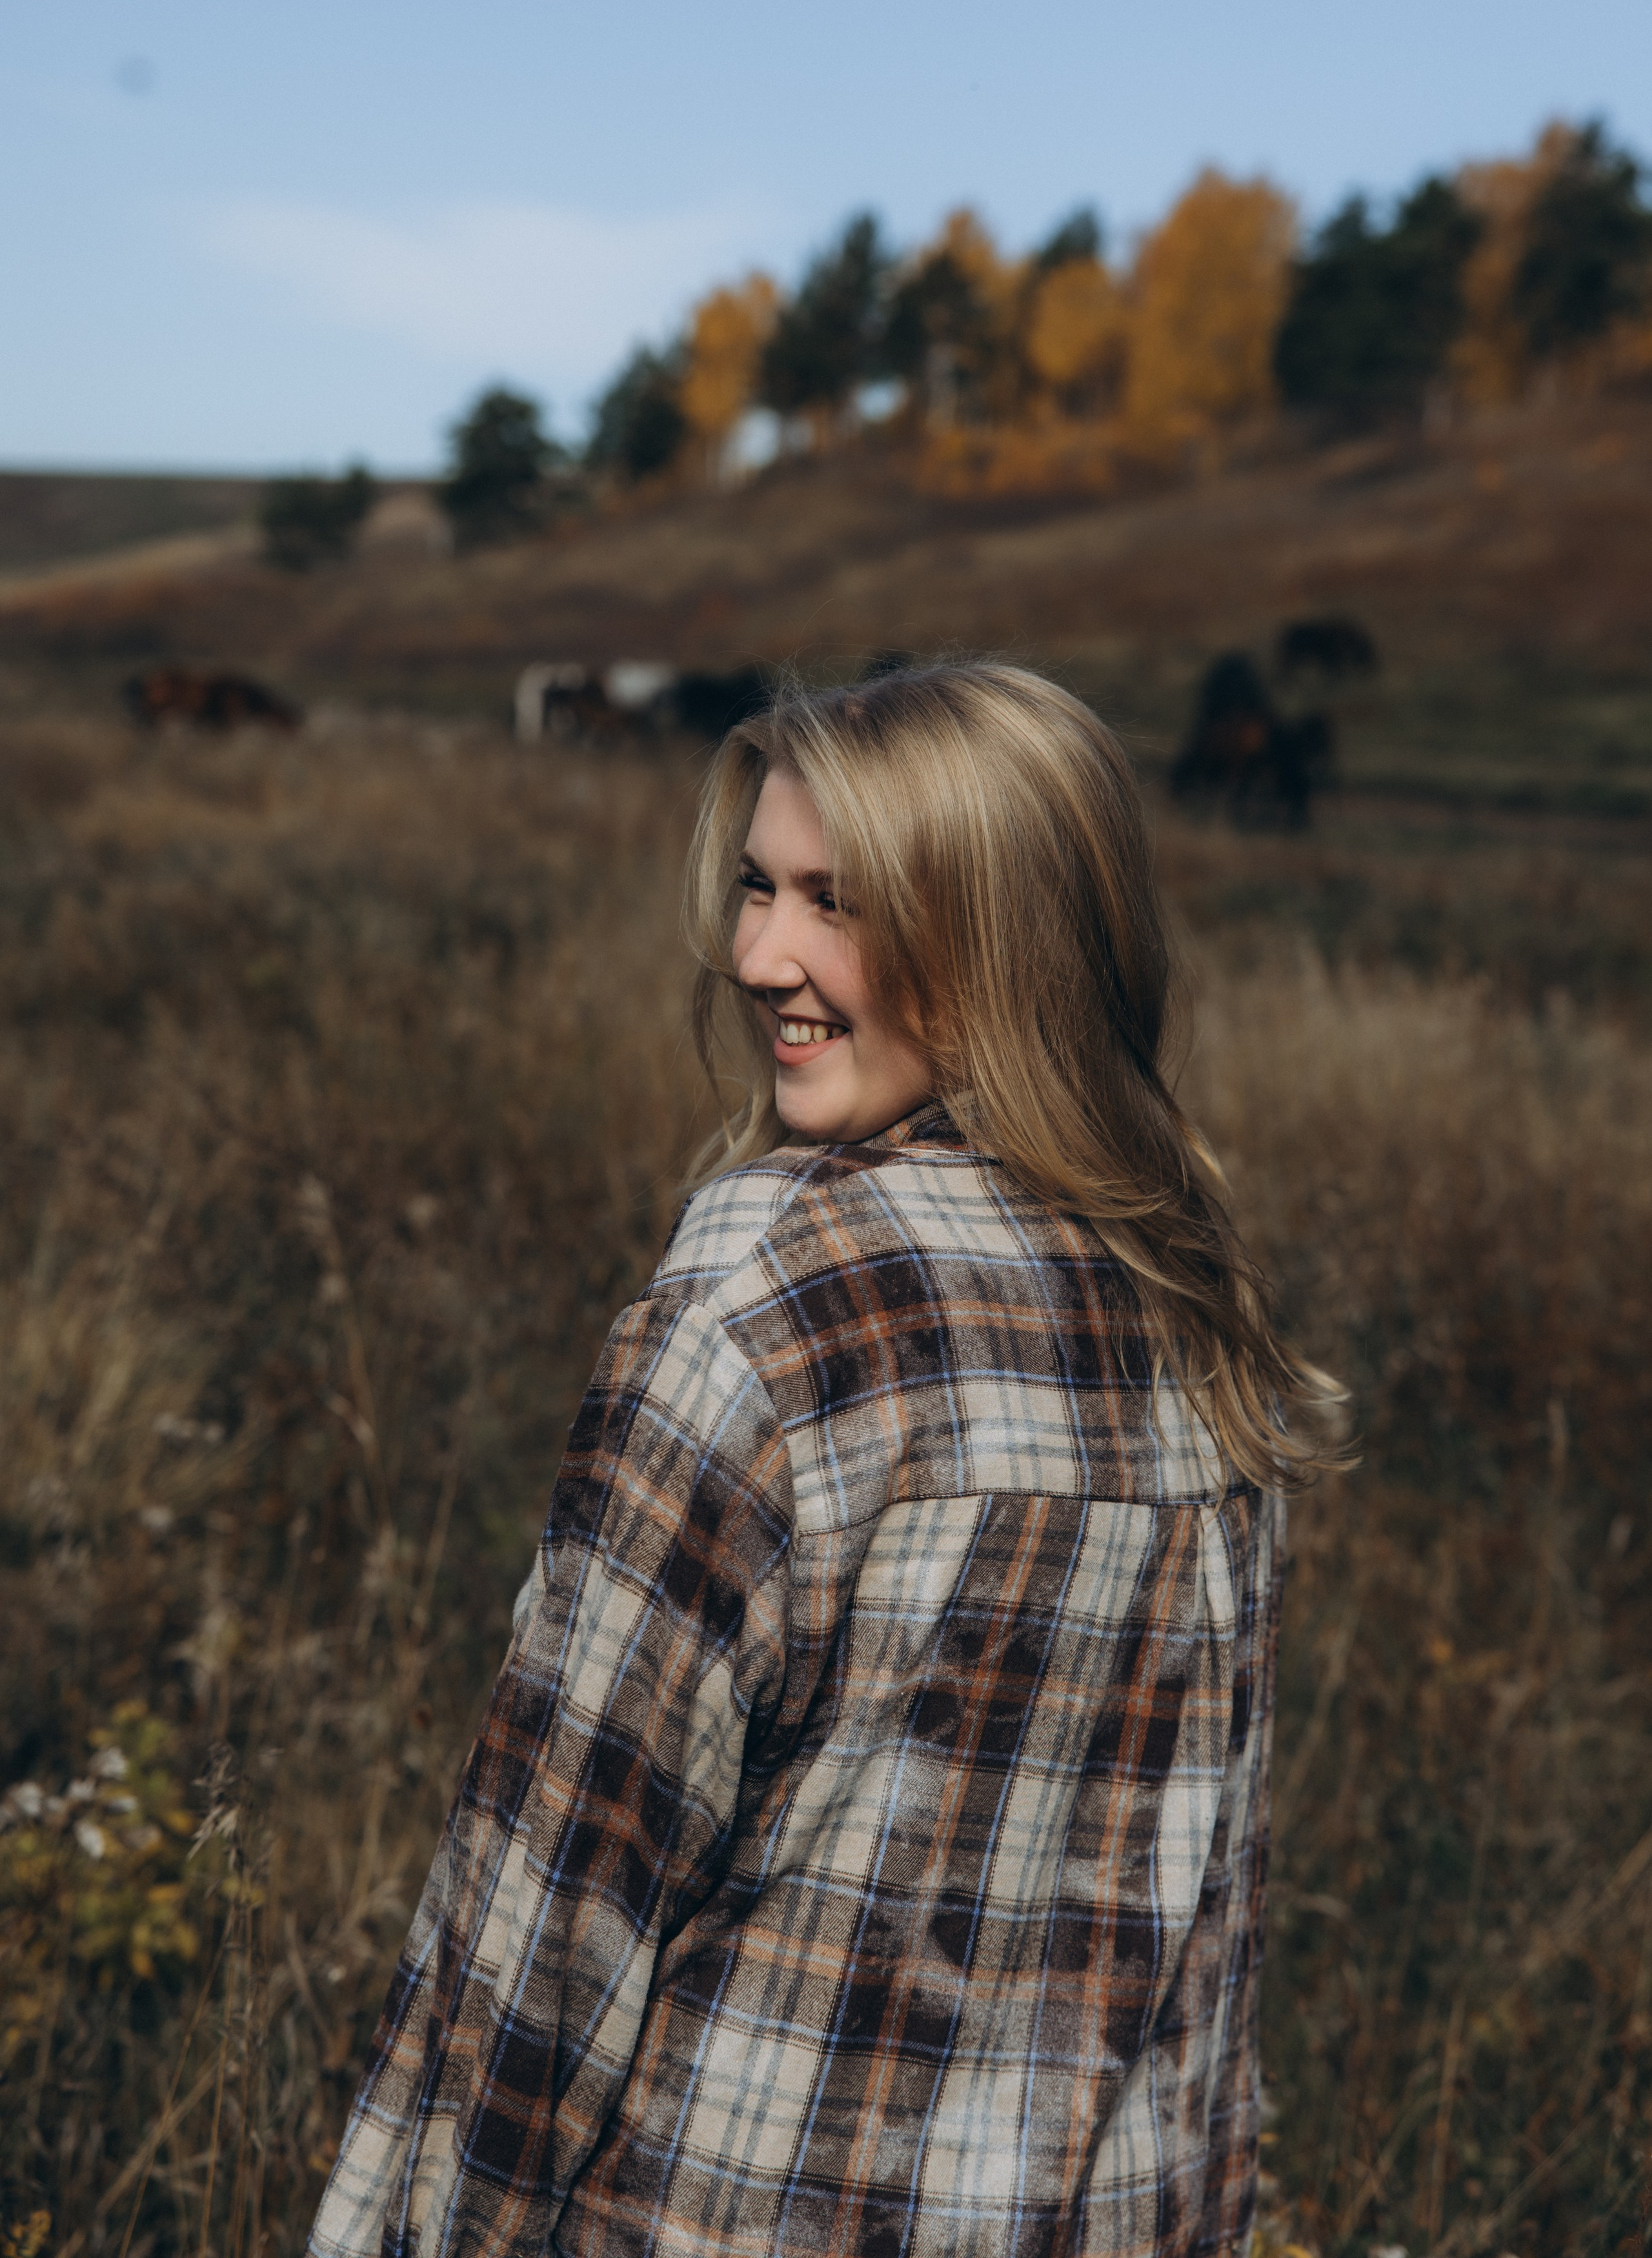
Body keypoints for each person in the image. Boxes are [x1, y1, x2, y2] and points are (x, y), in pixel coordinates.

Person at [309, 662, 1345, 2258]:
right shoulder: (1193, 1314)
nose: (755, 957)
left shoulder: (763, 1312)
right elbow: (1196, 1966)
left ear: (999, 937)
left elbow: (548, 1919)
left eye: (834, 903)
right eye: (756, 886)